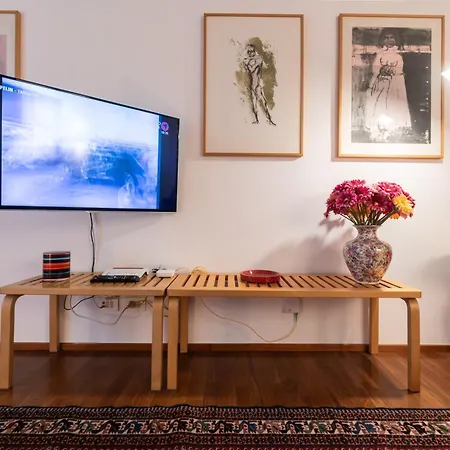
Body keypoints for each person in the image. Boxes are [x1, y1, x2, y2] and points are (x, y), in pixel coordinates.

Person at [364, 28, 411, 142]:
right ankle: (378, 131)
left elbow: (399, 70)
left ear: (396, 39)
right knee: (380, 105)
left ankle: (392, 131)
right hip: (382, 83)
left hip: (395, 84)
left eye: (391, 37)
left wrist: (393, 71)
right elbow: (375, 70)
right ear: (382, 40)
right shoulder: (380, 54)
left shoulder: (399, 55)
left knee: (394, 105)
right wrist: (374, 81)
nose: (389, 40)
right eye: (386, 38)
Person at [242, 44, 276, 126]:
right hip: (252, 85)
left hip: (258, 85)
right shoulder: (248, 60)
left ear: (254, 51)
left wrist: (248, 63)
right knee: (254, 103)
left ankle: (269, 119)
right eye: (248, 52)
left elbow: (252, 69)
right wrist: (247, 63)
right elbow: (246, 69)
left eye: (251, 51)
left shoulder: (258, 59)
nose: (250, 53)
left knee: (263, 102)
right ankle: (256, 119)